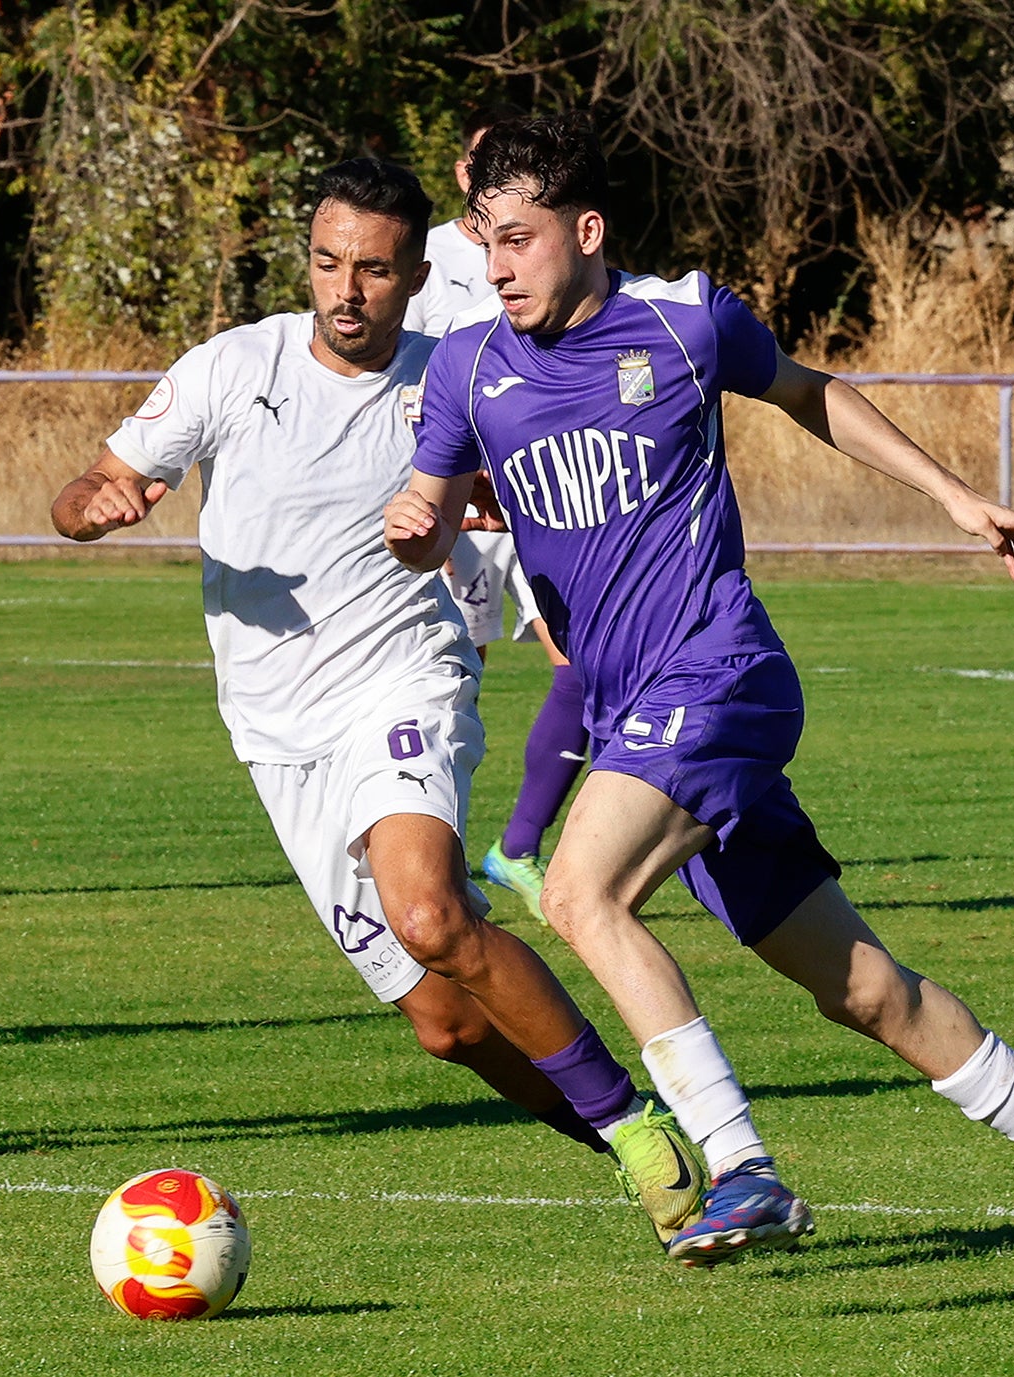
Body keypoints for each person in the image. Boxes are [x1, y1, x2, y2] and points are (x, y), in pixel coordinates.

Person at [387, 114, 1014, 1291]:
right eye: (485, 242)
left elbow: (811, 394)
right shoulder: (466, 366)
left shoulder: (685, 318)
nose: (496, 268)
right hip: (631, 715)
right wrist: (415, 530)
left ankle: (738, 1161)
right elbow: (430, 509)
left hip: (719, 676)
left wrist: (955, 499)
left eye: (519, 240)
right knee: (862, 989)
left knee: (575, 891)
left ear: (585, 232)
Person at [51, 157, 709, 1245]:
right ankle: (620, 1130)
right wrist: (101, 502)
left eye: (371, 269)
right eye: (325, 263)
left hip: (403, 680)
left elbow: (559, 467)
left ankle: (647, 1141)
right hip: (275, 733)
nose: (343, 289)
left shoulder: (455, 375)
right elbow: (76, 493)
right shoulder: (231, 368)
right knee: (447, 1025)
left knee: (429, 912)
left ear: (414, 275)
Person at [407, 105, 590, 921]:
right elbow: (406, 385)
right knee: (458, 680)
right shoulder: (430, 260)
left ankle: (516, 846)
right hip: (464, 510)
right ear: (462, 177)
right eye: (488, 165)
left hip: (540, 496)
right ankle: (435, 858)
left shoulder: (541, 246)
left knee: (580, 670)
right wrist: (437, 493)